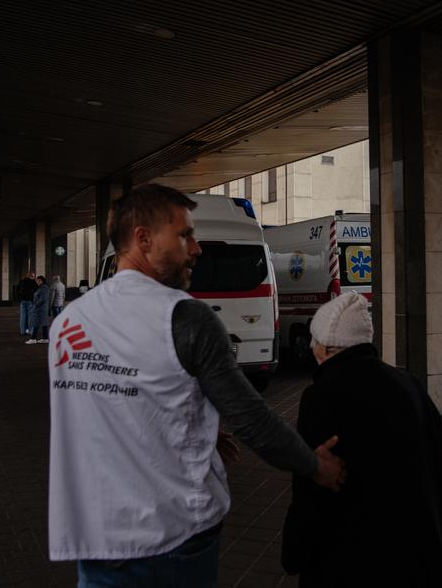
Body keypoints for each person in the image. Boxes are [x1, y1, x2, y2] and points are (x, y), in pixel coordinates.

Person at [48, 183, 345, 587]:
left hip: (94, 535)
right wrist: (315, 466)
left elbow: (113, 404)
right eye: (185, 235)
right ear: (143, 238)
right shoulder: (186, 318)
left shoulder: (69, 321)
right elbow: (253, 421)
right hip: (169, 535)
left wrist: (197, 427)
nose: (197, 249)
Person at [280, 292, 442, 587]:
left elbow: (313, 482)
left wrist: (294, 553)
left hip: (352, 563)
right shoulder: (408, 384)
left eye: (314, 342)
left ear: (324, 347)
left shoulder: (322, 396)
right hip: (420, 562)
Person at [27, 275, 50, 344]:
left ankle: (33, 338)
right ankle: (45, 338)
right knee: (43, 323)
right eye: (37, 280)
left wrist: (35, 304)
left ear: (42, 281)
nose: (37, 282)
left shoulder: (44, 288)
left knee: (36, 323)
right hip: (41, 309)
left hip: (40, 309)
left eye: (39, 280)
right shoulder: (42, 287)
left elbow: (42, 298)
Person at [16, 271, 37, 337]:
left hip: (22, 301)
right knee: (30, 316)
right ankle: (30, 331)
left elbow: (17, 291)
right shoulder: (33, 282)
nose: (34, 277)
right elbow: (36, 291)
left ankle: (22, 331)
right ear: (30, 276)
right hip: (30, 301)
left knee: (23, 316)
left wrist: (19, 299)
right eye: (33, 276)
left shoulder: (21, 282)